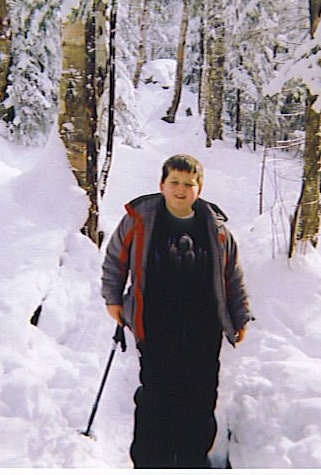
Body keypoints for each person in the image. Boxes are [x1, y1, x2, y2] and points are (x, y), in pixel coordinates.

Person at [101, 154, 252, 468]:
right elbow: (115, 260)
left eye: (188, 184)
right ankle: (151, 461)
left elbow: (232, 275)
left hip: (203, 325)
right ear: (162, 185)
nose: (181, 190)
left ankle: (191, 459)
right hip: (156, 323)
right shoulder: (139, 219)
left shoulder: (217, 228)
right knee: (157, 393)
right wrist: (113, 299)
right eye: (175, 182)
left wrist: (240, 315)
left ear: (199, 188)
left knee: (199, 394)